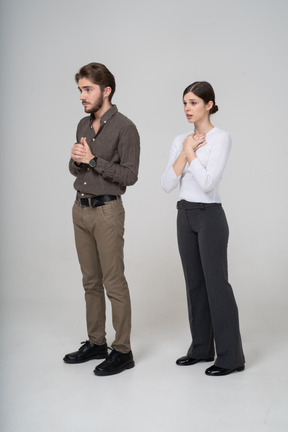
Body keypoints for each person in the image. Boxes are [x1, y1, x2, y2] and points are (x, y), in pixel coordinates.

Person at [161, 81, 245, 376]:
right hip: (184, 215)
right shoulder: (179, 140)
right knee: (194, 283)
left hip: (210, 216)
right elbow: (167, 184)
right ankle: (200, 348)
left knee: (216, 284)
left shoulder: (221, 138)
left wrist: (190, 153)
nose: (187, 108)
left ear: (209, 104)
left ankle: (231, 356)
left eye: (194, 102)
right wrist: (185, 149)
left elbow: (208, 182)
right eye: (185, 102)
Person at [63, 62, 140, 376]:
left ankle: (123, 351)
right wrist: (76, 159)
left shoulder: (125, 128)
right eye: (80, 89)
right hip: (80, 209)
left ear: (106, 90)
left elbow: (130, 176)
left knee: (114, 284)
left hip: (107, 212)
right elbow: (76, 170)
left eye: (87, 89)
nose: (82, 95)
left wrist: (93, 160)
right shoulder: (83, 124)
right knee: (90, 282)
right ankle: (97, 343)